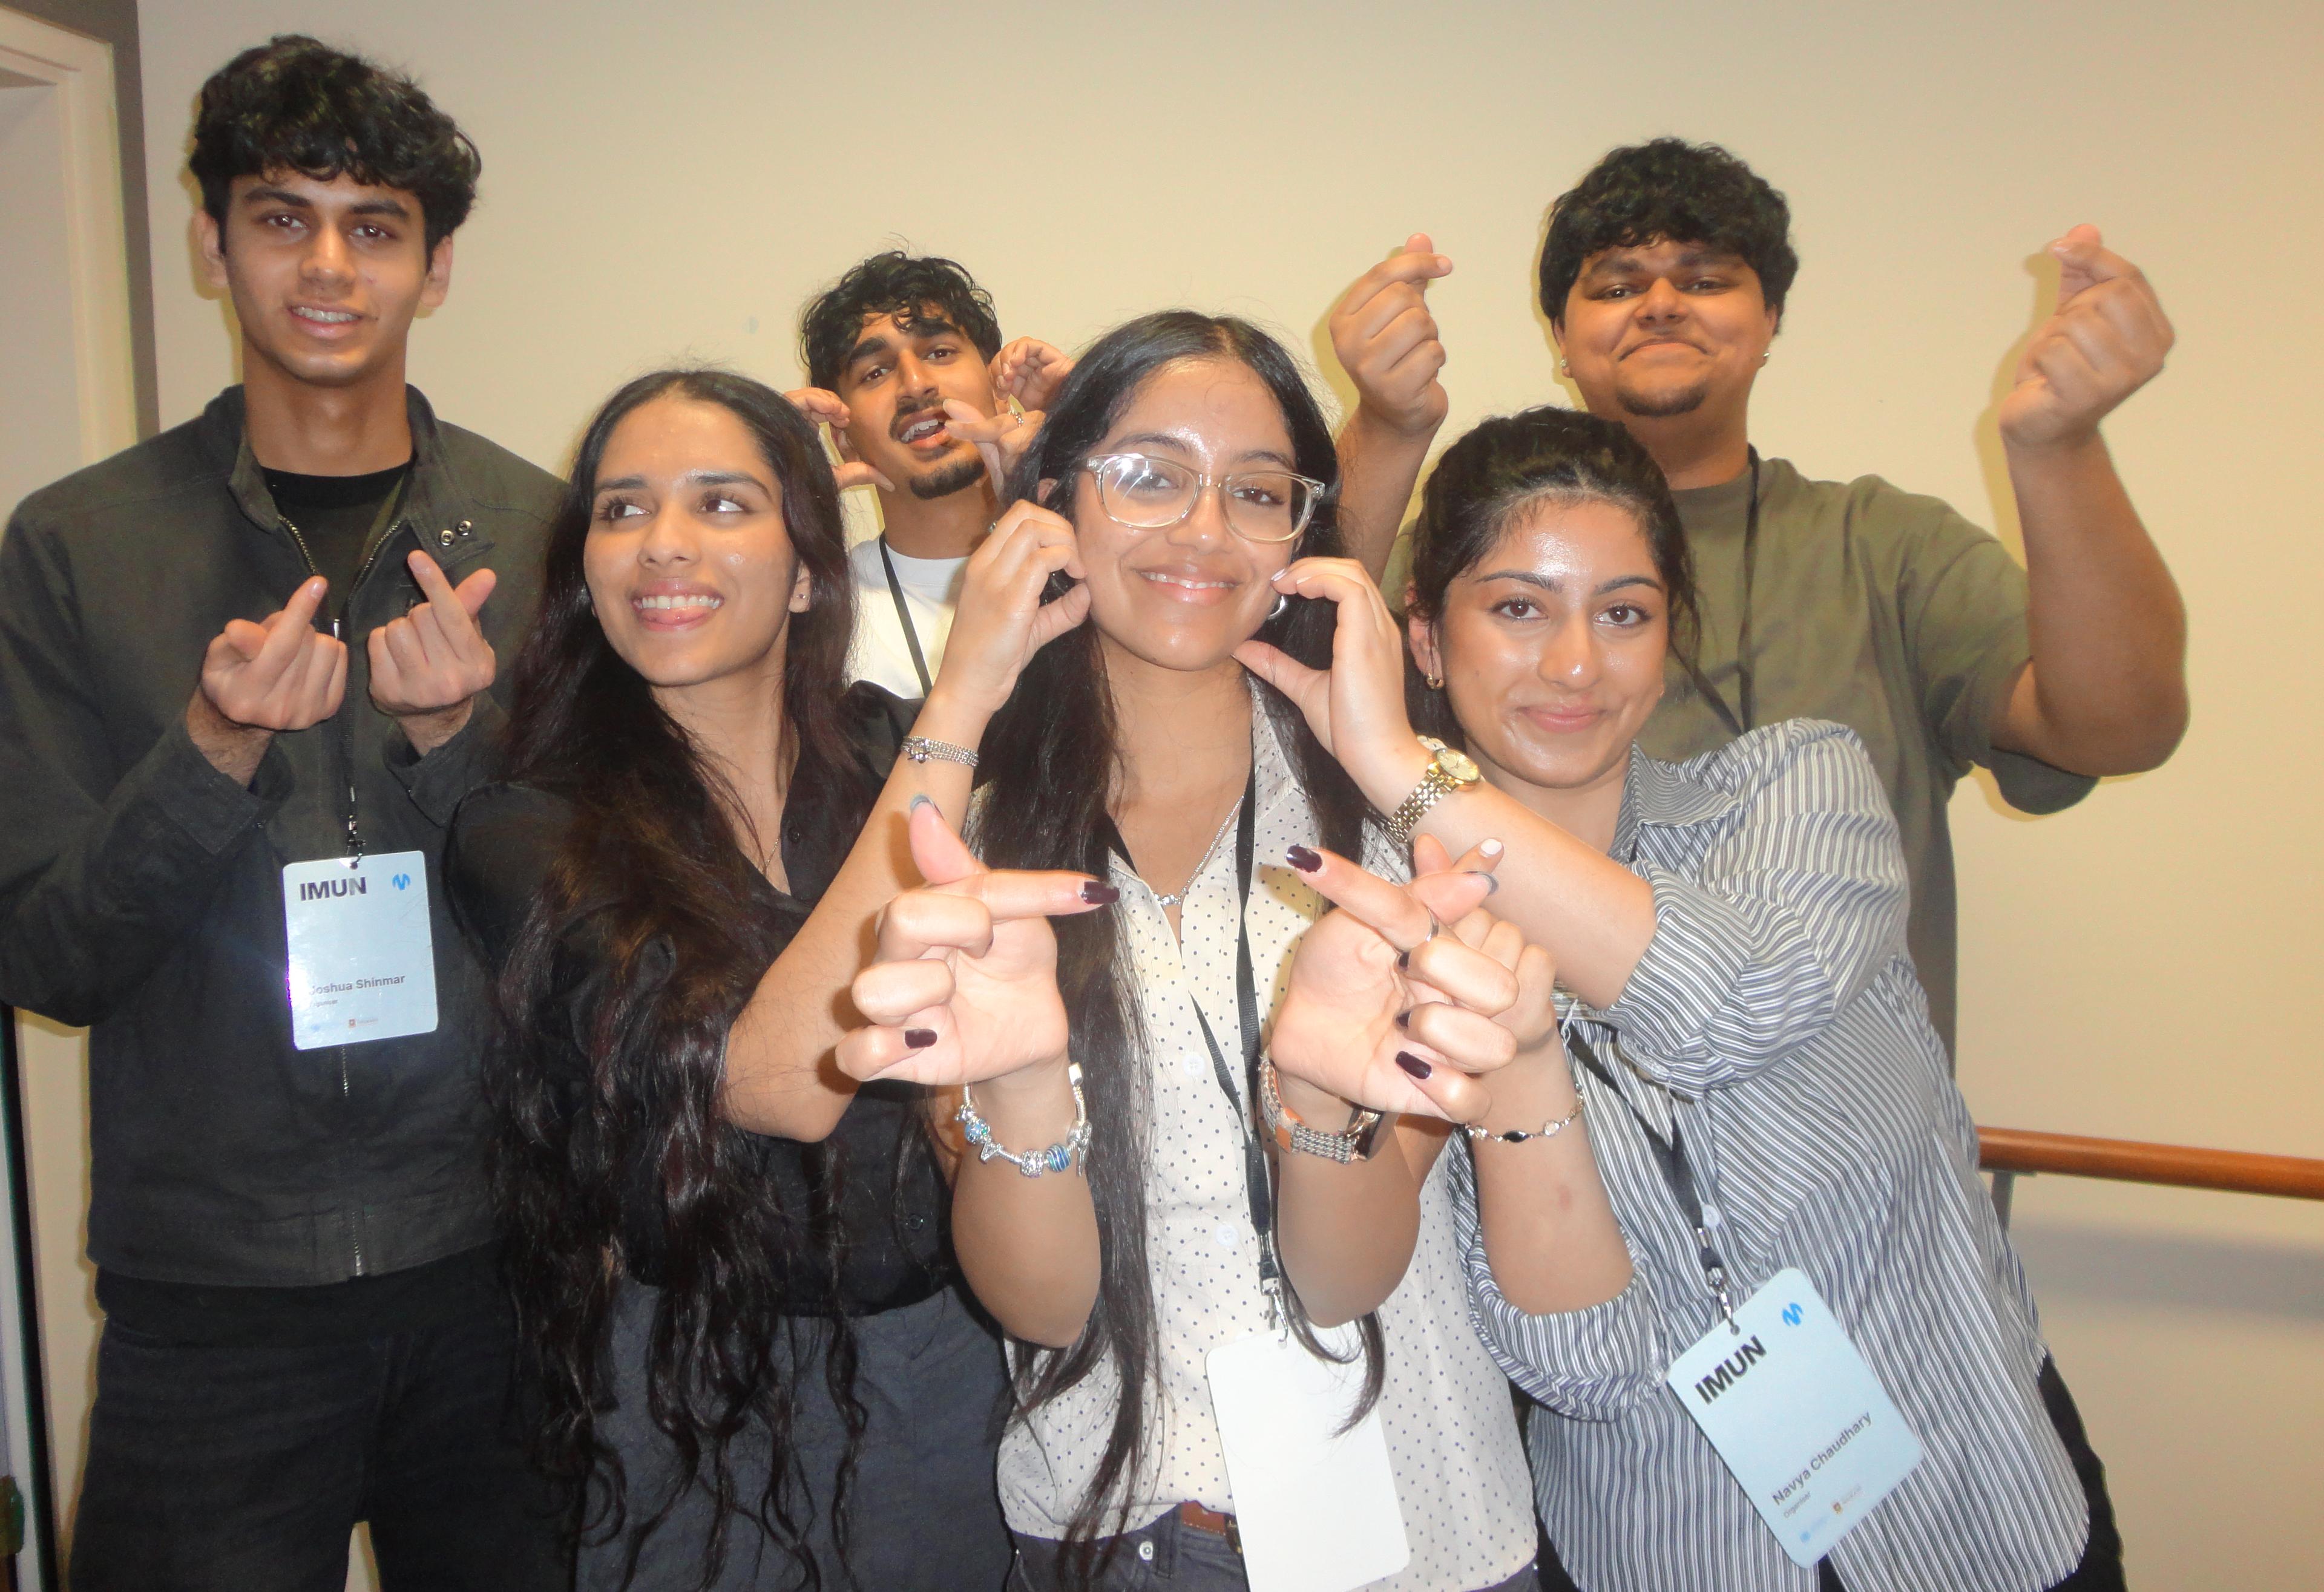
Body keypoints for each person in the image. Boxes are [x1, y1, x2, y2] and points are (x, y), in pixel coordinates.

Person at [1245, 405, 2125, 1592]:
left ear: (1670, 637)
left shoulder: (1796, 791)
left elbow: (1726, 1002)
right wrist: (1488, 1072)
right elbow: (1586, 1363)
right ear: (1429, 641)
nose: (1575, 663)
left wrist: (1398, 765)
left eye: (1624, 612)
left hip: (1981, 1520)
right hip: (1670, 1548)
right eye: (1517, 607)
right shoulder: (1404, 945)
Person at [829, 311, 1540, 1591]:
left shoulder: (1400, 807)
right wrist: (1024, 1086)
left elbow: (1348, 1272)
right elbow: (1041, 1309)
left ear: (1301, 536)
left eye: (1257, 491)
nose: (1206, 530)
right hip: (1115, 1517)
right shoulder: (966, 840)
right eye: (1151, 475)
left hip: (1411, 1508)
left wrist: (1322, 1102)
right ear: (1055, 505)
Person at [0, 36, 566, 1590]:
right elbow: (46, 952)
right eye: (279, 215)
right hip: (213, 1307)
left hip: (501, 1284)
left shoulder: (542, 531)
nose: (327, 264)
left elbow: (589, 925)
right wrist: (204, 748)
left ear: (435, 267)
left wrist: (453, 750)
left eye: (373, 224)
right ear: (211, 243)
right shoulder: (73, 546)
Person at [445, 367, 1096, 1590]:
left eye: (723, 503)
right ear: (584, 570)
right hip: (698, 1393)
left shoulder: (880, 749)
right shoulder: (525, 824)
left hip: (953, 1361)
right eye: (623, 510)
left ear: (806, 569)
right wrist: (962, 695)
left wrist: (1072, 503)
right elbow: (778, 1080)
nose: (663, 545)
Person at [1328, 140, 2188, 1052]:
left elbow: (2117, 727)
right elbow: (1294, 672)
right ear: (1561, 338)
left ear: (1770, 317)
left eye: (1704, 279)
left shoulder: (1888, 548)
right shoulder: (1466, 550)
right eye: (1617, 286)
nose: (1659, 303)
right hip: (1503, 1118)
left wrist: (2063, 446)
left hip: (1832, 1153)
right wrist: (1385, 429)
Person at [793, 251, 1075, 697]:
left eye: (940, 352)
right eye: (876, 372)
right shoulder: (812, 614)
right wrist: (765, 476)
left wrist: (1089, 433)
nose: (916, 383)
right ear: (842, 437)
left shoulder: (1089, 566)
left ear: (1000, 394)